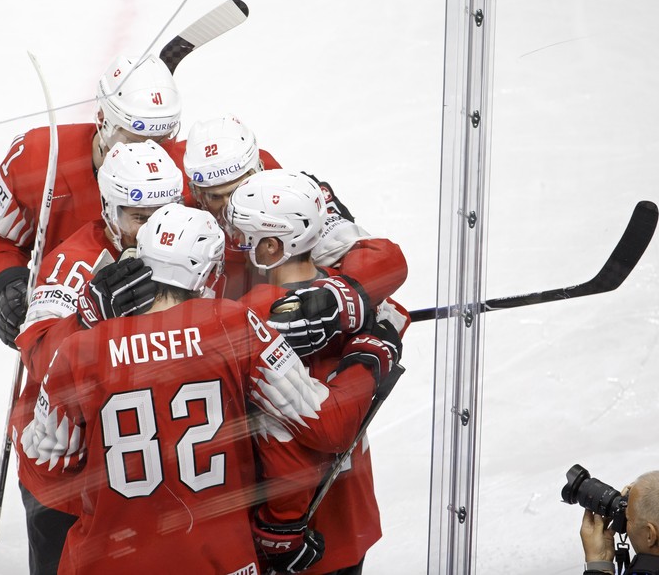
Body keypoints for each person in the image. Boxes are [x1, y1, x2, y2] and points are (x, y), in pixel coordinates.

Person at [20, 203, 343, 574]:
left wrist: (112, 500)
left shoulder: (81, 349)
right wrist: (371, 357)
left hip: (110, 559)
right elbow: (306, 432)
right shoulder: (233, 323)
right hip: (221, 557)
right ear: (208, 272)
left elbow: (42, 471)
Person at [223, 169, 409, 574]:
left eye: (244, 234)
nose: (236, 243)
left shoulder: (250, 316)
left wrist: (280, 527)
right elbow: (396, 315)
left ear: (271, 246)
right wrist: (372, 350)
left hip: (289, 522)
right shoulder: (358, 298)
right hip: (349, 510)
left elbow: (282, 441)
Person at [11, 140, 183, 575]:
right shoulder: (74, 262)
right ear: (109, 208)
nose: (151, 230)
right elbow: (35, 353)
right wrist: (88, 314)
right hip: (64, 473)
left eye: (162, 214)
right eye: (139, 218)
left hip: (139, 464)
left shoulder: (186, 247)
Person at [0, 54, 189, 349]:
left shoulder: (185, 170)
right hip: (67, 334)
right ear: (103, 121)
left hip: (159, 341)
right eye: (136, 140)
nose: (151, 153)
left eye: (163, 140)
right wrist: (8, 281)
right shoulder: (37, 156)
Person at [183, 115, 409, 354]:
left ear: (258, 170)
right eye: (215, 197)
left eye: (237, 189)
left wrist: (335, 298)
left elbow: (383, 259)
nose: (229, 208)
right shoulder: (184, 212)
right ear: (196, 191)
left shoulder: (292, 200)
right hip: (224, 345)